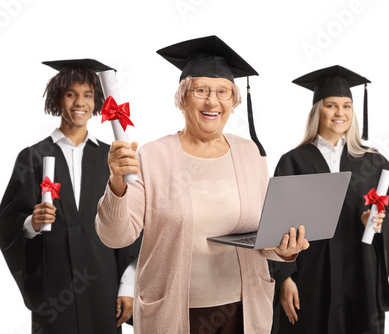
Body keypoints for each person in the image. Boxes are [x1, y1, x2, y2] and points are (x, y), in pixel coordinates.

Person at [95, 36, 309, 334]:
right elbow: (116, 237)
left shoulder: (250, 154)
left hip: (244, 311)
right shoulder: (152, 155)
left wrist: (286, 250)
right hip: (174, 313)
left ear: (234, 102)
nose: (212, 101)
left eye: (223, 92)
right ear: (182, 98)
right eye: (201, 90)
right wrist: (117, 185)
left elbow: (264, 238)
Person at [0, 59, 142, 334]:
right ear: (58, 99)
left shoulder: (111, 157)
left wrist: (128, 286)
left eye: (88, 95)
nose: (80, 102)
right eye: (71, 94)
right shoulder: (33, 157)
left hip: (103, 283)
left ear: (97, 100)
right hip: (54, 284)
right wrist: (32, 223)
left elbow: (132, 224)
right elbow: (8, 224)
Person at [269, 65, 389, 334]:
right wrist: (284, 278)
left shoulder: (373, 160)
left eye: (346, 106)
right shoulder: (294, 161)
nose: (340, 113)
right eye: (331, 105)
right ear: (318, 110)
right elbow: (277, 225)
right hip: (311, 275)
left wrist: (376, 222)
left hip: (360, 275)